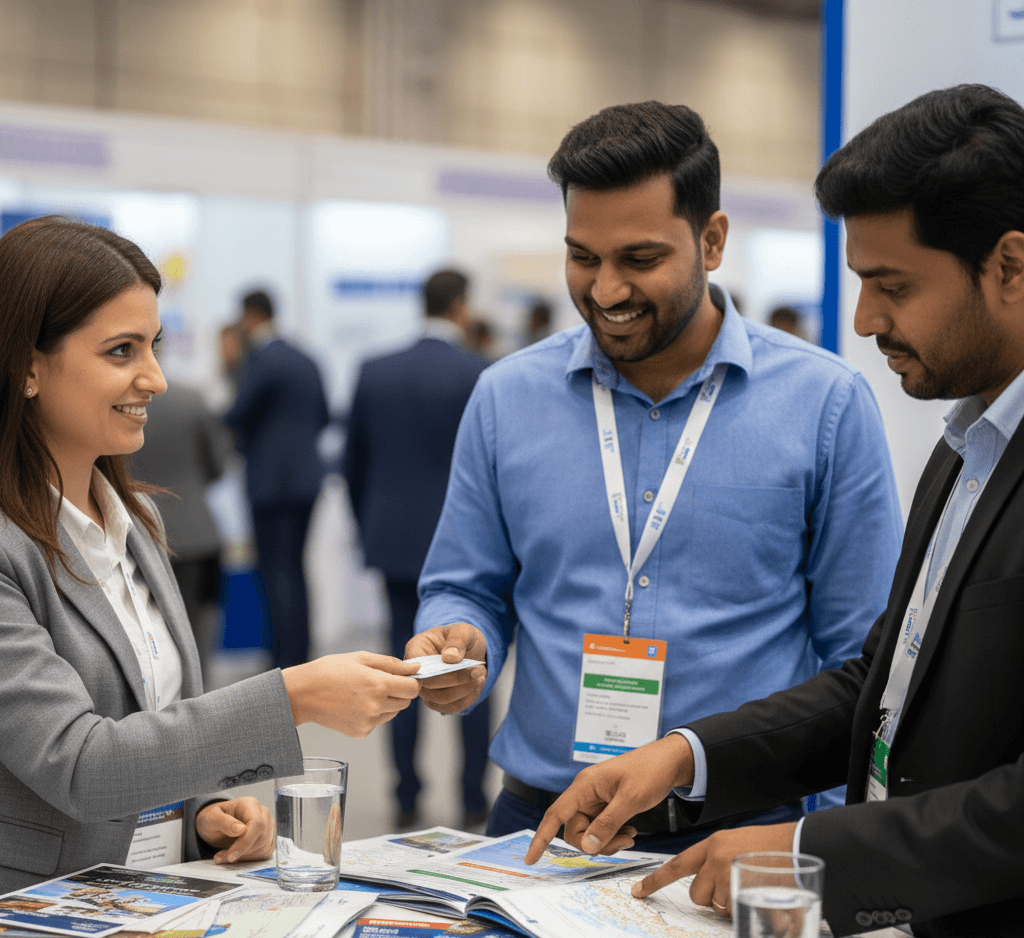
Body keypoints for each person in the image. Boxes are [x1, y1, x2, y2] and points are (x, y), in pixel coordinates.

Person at [524, 84, 1024, 938]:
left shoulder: (862, 414)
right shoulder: (967, 445)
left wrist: (807, 849)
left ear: (1010, 266)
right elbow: (881, 686)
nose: (864, 319)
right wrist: (688, 756)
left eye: (892, 285)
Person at [407, 101, 903, 852]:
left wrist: (814, 841)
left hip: (738, 833)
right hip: (541, 826)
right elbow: (465, 583)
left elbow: (859, 656)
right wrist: (459, 637)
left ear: (712, 240)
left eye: (640, 260)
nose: (606, 291)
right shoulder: (508, 397)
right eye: (583, 256)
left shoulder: (824, 404)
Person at [0, 216, 422, 891]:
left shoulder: (134, 524)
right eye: (121, 351)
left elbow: (150, 721)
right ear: (26, 366)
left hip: (155, 899)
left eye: (154, 346)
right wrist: (296, 696)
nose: (156, 379)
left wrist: (202, 812)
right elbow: (79, 763)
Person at [344, 269, 492, 831]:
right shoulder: (482, 371)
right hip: (470, 550)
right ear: (460, 306)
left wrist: (371, 527)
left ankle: (406, 794)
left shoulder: (376, 370)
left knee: (402, 667)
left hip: (396, 543)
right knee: (469, 664)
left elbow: (354, 464)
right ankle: (474, 795)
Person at [224, 290, 329, 669]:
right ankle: (300, 655)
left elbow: (237, 414)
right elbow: (323, 415)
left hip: (270, 484)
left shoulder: (259, 359)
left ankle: (282, 663)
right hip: (307, 479)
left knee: (275, 572)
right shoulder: (307, 357)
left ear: (252, 315)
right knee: (296, 568)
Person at [131, 380, 231, 683]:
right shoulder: (191, 398)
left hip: (136, 536)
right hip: (197, 533)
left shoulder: (111, 405)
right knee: (199, 638)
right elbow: (218, 465)